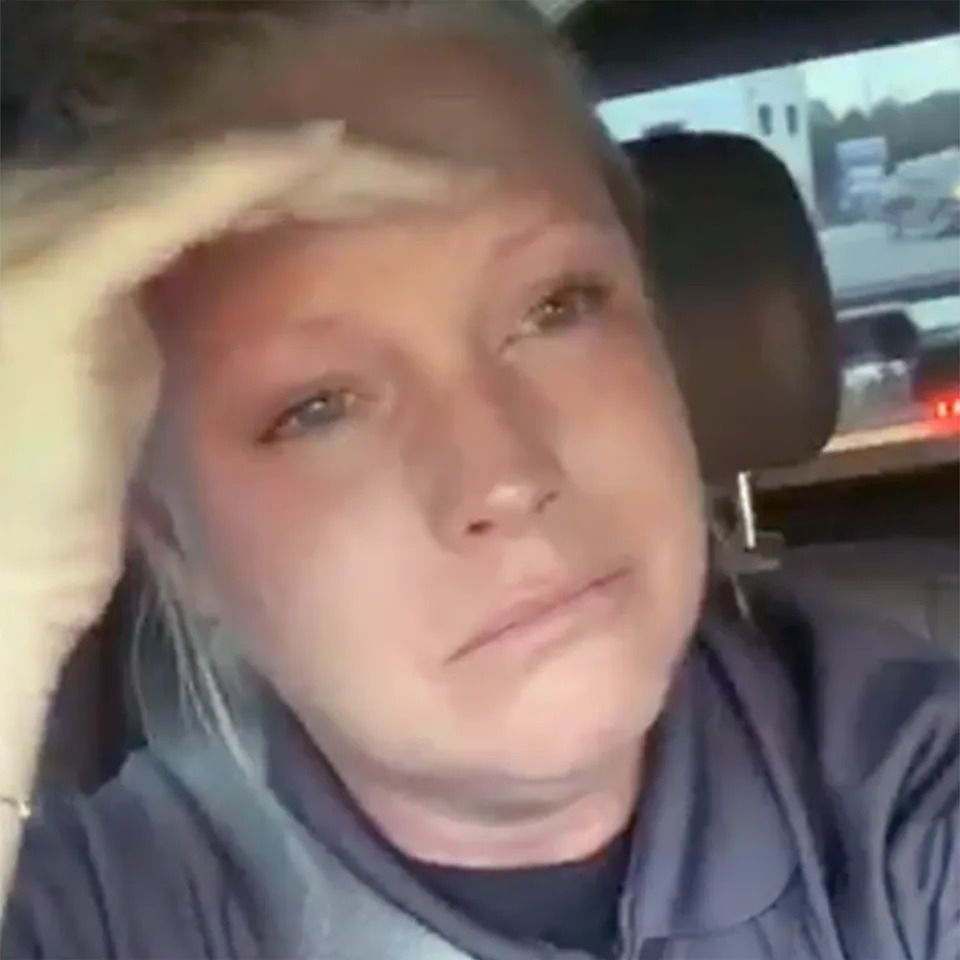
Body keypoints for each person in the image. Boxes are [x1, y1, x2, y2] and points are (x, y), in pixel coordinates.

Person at [0, 2, 956, 958]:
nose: (504, 477)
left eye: (557, 307)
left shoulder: (906, 783)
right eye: (318, 408)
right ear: (172, 540)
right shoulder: (101, 919)